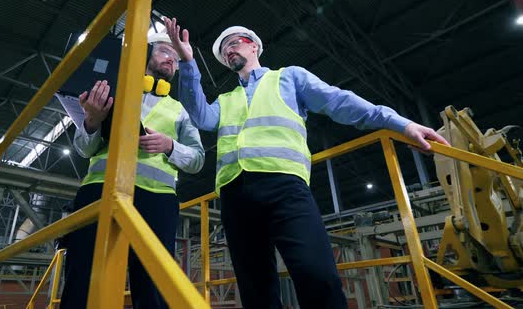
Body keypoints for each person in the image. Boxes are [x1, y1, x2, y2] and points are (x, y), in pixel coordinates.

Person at [164, 17, 449, 309]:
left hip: (284, 187)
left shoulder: (288, 78)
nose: (229, 51)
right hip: (235, 195)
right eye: (224, 51)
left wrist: (401, 124)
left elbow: (341, 102)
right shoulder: (226, 99)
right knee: (255, 288)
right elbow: (199, 116)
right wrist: (188, 63)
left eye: (234, 44)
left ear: (253, 47)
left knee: (317, 274)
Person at [60, 32, 205, 309]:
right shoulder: (110, 91)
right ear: (145, 53)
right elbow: (84, 148)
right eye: (165, 52)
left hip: (157, 199)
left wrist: (170, 145)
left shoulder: (179, 110)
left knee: (153, 284)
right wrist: (92, 120)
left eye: (176, 59)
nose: (172, 61)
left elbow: (198, 160)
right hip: (101, 190)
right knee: (83, 277)